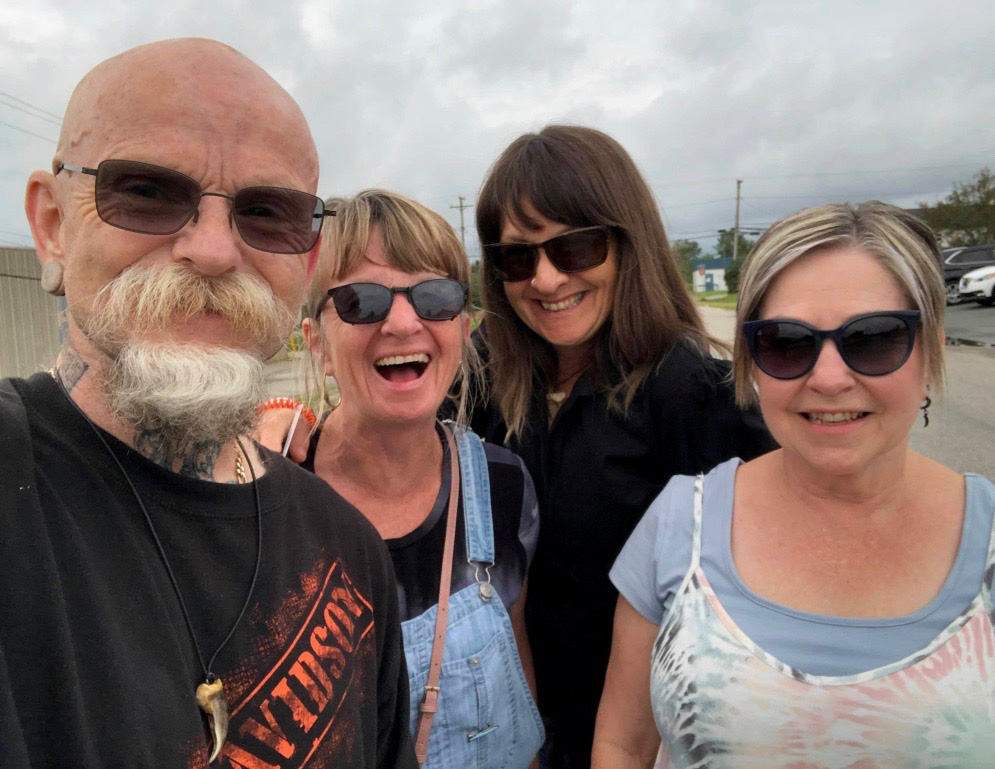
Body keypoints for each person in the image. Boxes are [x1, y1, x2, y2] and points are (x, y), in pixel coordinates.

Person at [0, 40, 416, 769]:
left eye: (267, 212)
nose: (216, 248)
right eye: (149, 192)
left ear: (306, 261)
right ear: (53, 224)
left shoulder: (352, 552)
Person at [595, 202, 995, 768]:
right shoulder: (681, 521)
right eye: (787, 342)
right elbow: (623, 745)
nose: (828, 378)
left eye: (873, 338)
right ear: (750, 361)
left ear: (932, 349)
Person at [470, 125, 777, 768]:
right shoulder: (482, 378)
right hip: (500, 725)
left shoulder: (693, 394)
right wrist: (288, 419)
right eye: (518, 258)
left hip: (632, 738)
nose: (547, 280)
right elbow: (380, 429)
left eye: (576, 248)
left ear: (626, 244)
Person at [260, 189, 544, 768]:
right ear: (318, 345)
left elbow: (518, 679)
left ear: (463, 330)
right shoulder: (266, 501)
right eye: (362, 301)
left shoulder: (502, 486)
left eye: (435, 297)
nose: (403, 321)